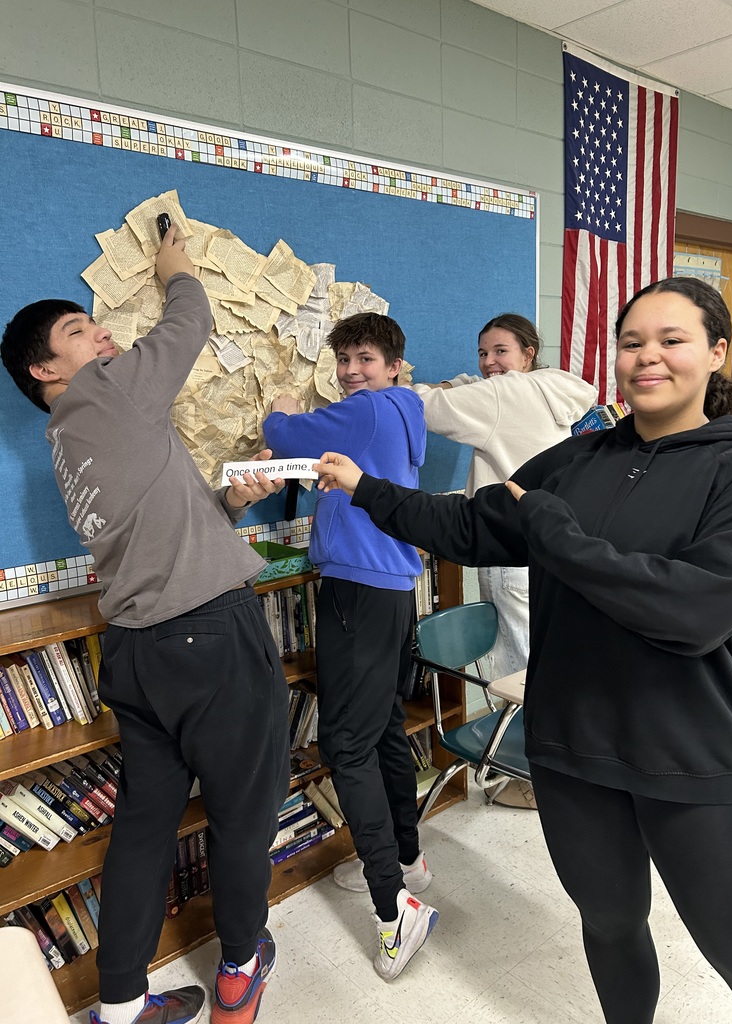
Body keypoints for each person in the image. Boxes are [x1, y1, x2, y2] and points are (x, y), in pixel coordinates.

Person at [312, 278, 732, 1024]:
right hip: (572, 748)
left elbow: (691, 610)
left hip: (693, 750)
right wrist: (368, 489)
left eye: (671, 340)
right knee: (612, 926)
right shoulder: (580, 458)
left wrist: (554, 534)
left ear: (716, 353)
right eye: (631, 342)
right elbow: (470, 525)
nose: (647, 357)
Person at [1, 227, 290, 1024]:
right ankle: (239, 968)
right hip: (209, 639)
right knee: (244, 814)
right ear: (45, 370)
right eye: (76, 331)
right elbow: (187, 321)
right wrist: (176, 269)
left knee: (142, 828)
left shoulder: (69, 440)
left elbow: (160, 516)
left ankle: (122, 1006)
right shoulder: (105, 391)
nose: (99, 332)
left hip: (136, 653)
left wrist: (231, 504)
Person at [263, 312, 439, 981]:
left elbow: (281, 435)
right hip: (386, 588)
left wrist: (282, 408)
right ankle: (406, 859)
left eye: (363, 357)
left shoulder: (367, 409)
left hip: (359, 591)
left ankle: (395, 913)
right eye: (342, 360)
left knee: (346, 744)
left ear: (394, 364)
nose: (349, 371)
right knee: (382, 729)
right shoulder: (398, 411)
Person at [412, 313, 596, 679]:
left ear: (528, 354)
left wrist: (418, 387)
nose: (487, 362)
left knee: (514, 667)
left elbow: (423, 406)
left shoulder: (503, 394)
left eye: (500, 351)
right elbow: (478, 387)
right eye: (482, 353)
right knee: (543, 654)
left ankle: (518, 735)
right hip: (547, 544)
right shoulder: (555, 388)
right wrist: (460, 382)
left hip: (505, 547)